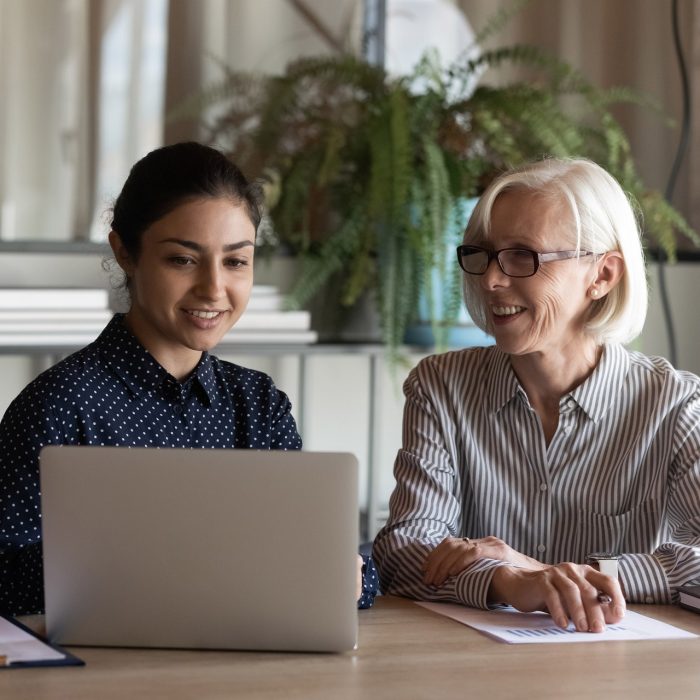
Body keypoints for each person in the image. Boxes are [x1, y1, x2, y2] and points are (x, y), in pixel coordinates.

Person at [0, 142, 378, 616]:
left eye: (236, 261)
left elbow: (334, 561)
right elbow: (4, 577)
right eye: (182, 259)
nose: (214, 289)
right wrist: (143, 567)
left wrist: (344, 576)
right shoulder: (59, 405)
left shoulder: (259, 405)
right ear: (125, 253)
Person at [373, 157, 700, 633]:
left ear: (603, 275)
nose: (490, 280)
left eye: (524, 256)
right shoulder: (440, 387)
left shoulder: (677, 404)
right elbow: (403, 551)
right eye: (483, 253)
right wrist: (508, 580)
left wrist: (571, 576)